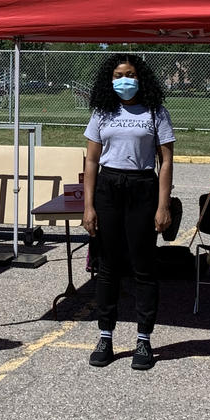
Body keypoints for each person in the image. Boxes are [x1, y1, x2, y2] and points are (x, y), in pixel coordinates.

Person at [81, 53, 175, 370]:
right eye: (119, 74)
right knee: (108, 267)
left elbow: (166, 162)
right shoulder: (102, 112)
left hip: (141, 188)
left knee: (143, 267)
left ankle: (144, 340)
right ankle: (105, 336)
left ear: (141, 78)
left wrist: (163, 205)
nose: (125, 80)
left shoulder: (155, 112)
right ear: (110, 79)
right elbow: (91, 161)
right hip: (109, 188)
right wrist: (88, 205)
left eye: (131, 74)